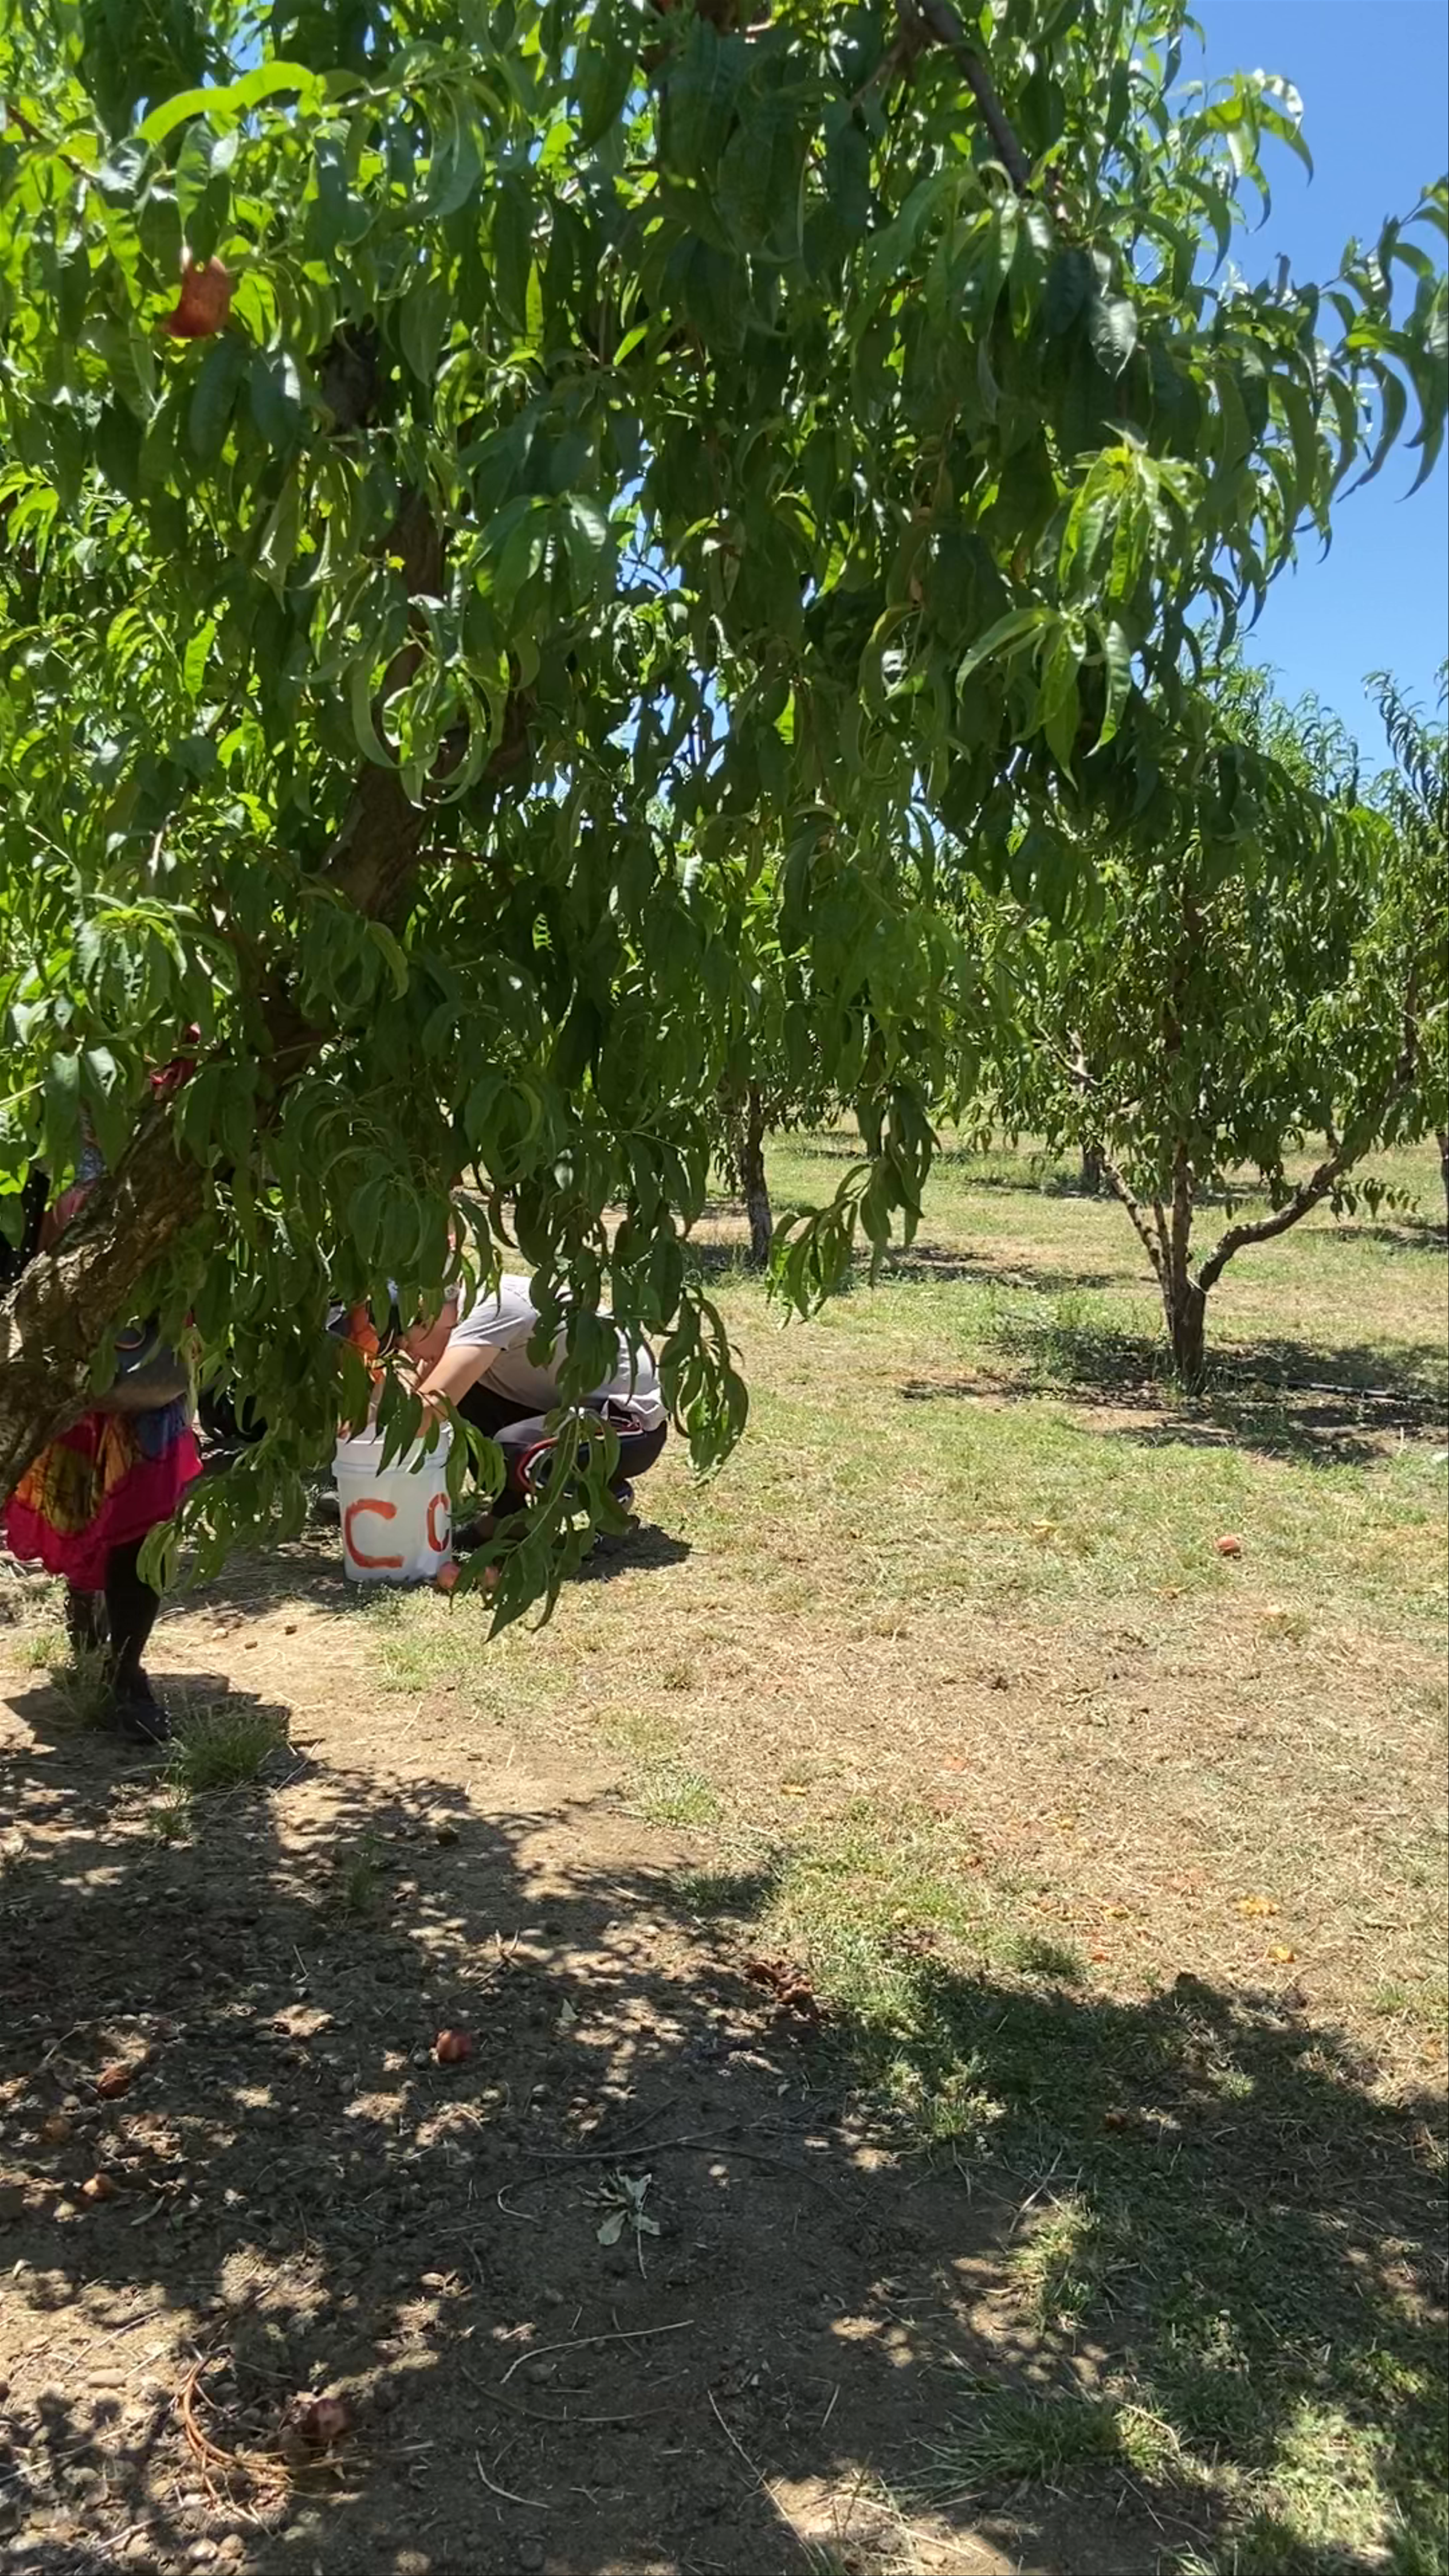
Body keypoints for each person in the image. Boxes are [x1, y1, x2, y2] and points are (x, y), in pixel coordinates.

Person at [2, 1061, 202, 1746]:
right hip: (59, 1344)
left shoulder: (185, 1112)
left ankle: (128, 1673)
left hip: (155, 1348)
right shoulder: (46, 1114)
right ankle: (86, 1604)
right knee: (82, 1495)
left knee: (143, 1514)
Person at [381, 1273, 669, 1526]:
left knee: (512, 1451)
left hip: (629, 1428)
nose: (410, 1354)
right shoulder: (456, 1313)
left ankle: (606, 1500)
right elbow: (423, 1390)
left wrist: (367, 1448)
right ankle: (507, 1518)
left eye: (406, 1341)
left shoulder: (489, 1309)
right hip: (571, 1412)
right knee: (464, 1398)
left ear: (428, 1315)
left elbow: (430, 1410)